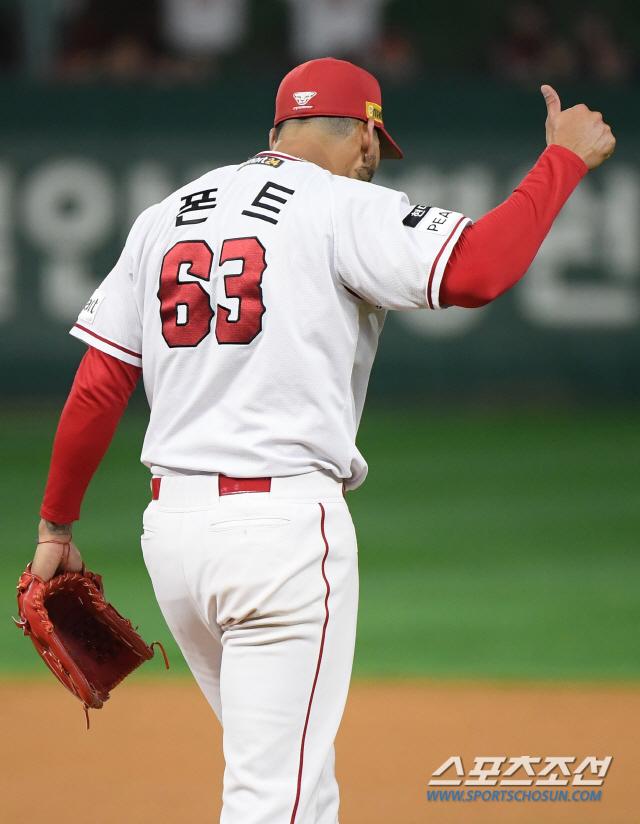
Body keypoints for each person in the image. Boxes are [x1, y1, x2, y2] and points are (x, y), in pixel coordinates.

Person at [32, 57, 614, 824]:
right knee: (278, 800)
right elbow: (478, 270)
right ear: (367, 138)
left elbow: (98, 386)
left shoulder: (164, 216)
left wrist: (55, 525)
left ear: (277, 129)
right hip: (280, 544)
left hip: (173, 541)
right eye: (378, 150)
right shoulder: (341, 204)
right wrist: (562, 159)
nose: (374, 163)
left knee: (289, 778)